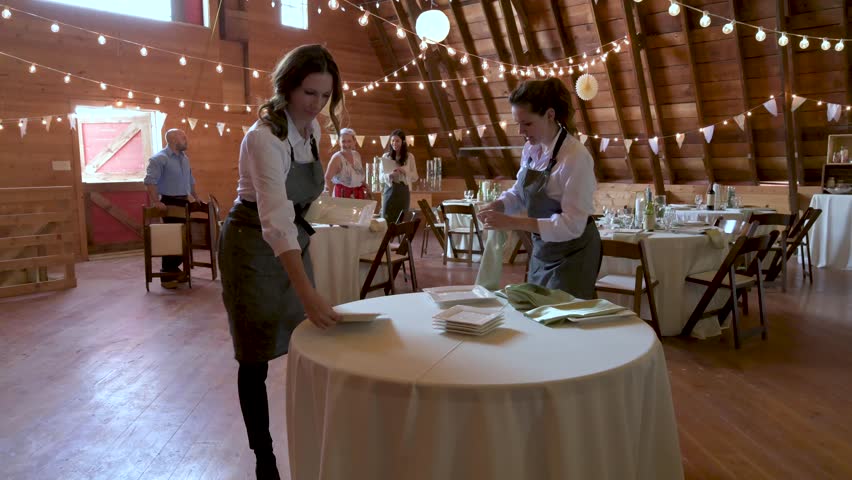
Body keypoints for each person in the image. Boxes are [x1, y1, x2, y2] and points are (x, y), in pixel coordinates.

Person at [217, 44, 343, 480]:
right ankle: (264, 458)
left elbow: (303, 205)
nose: (317, 105)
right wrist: (307, 292)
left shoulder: (313, 133)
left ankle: (308, 438)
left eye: (325, 96)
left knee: (304, 342)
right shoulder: (263, 138)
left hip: (292, 240)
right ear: (287, 87)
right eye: (310, 93)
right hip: (252, 246)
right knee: (253, 358)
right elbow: (275, 222)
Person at [478, 78, 601, 299]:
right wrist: (498, 205)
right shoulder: (531, 150)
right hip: (543, 249)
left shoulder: (575, 157)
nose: (520, 131)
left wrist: (513, 222)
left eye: (527, 123)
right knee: (537, 312)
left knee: (562, 319)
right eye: (517, 123)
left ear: (550, 115)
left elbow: (572, 225)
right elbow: (519, 193)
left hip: (573, 253)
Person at [143, 128, 196, 289]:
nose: (185, 138)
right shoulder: (159, 159)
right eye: (182, 136)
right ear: (173, 140)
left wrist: (196, 197)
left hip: (184, 201)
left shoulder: (184, 158)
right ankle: (167, 274)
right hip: (169, 202)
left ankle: (174, 270)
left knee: (187, 238)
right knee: (173, 239)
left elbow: (191, 181)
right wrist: (155, 201)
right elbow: (150, 181)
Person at [380, 129, 418, 223]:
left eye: (397, 141)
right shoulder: (386, 156)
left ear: (403, 142)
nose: (394, 143)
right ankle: (387, 237)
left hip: (403, 190)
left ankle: (400, 237)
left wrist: (405, 171)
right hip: (389, 189)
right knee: (386, 219)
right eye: (392, 141)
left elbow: (415, 177)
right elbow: (380, 177)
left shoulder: (409, 157)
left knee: (401, 221)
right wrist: (389, 175)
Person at [323, 127, 370, 198]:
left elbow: (358, 175)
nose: (346, 144)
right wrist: (328, 197)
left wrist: (366, 186)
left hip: (358, 194)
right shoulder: (337, 158)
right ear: (339, 142)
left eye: (349, 141)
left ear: (354, 142)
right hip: (342, 195)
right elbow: (327, 178)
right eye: (343, 141)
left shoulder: (356, 155)